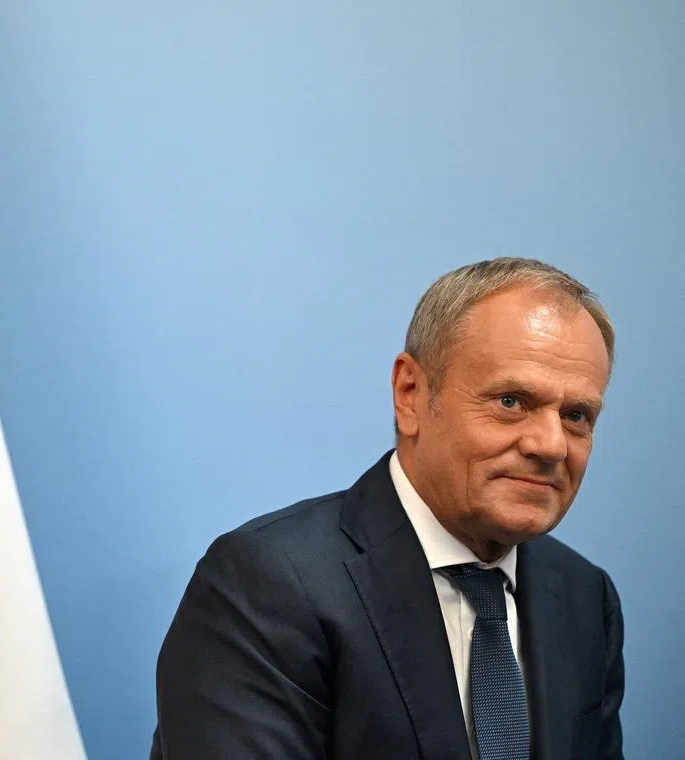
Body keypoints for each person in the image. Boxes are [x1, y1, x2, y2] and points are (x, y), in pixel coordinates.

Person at [149, 258, 623, 760]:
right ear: (410, 394)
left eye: (576, 415)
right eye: (511, 401)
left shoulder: (584, 596)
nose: (551, 445)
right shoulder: (268, 584)